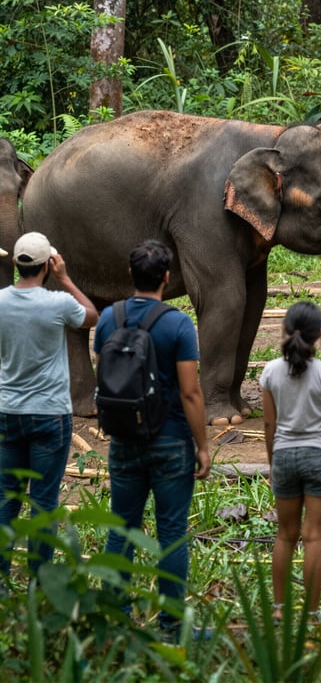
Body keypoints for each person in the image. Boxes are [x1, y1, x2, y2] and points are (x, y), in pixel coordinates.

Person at [94, 240, 210, 639]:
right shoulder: (178, 324)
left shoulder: (109, 319)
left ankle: (114, 618)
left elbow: (105, 374)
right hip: (171, 440)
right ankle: (172, 625)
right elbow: (191, 392)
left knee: (121, 528)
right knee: (172, 532)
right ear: (166, 277)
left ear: (130, 275)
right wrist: (203, 445)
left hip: (123, 440)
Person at [0, 232, 98, 582]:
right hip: (50, 415)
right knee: (44, 502)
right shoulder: (58, 304)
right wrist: (66, 279)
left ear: (16, 264)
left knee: (6, 499)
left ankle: (1, 582)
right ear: (47, 266)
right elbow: (93, 316)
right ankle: (39, 583)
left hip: (8, 412)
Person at [261, 301, 321, 624]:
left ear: (286, 331)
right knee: (314, 536)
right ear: (320, 335)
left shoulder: (270, 372)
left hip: (285, 455)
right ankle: (312, 614)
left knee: (285, 535)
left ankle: (279, 609)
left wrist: (274, 463)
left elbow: (269, 426)